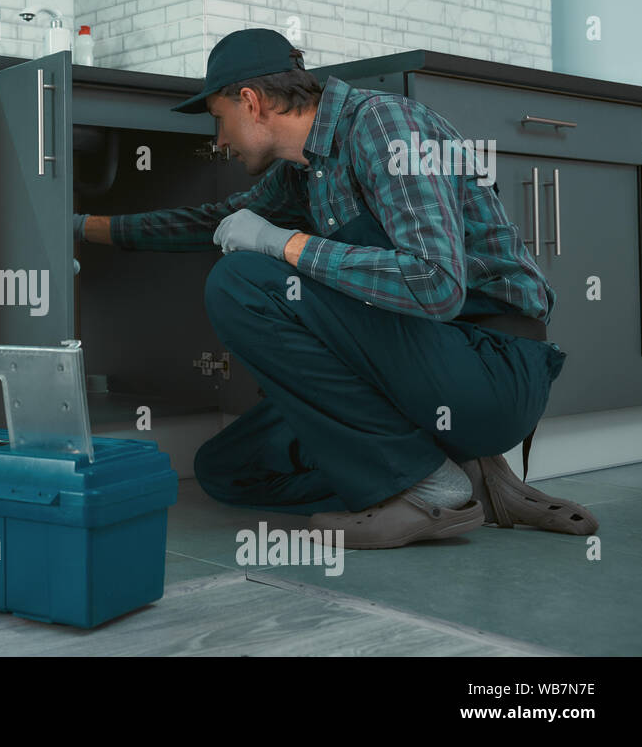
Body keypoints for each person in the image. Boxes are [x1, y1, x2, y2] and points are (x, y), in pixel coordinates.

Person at [75, 28, 598, 549]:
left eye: (219, 119)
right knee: (229, 468)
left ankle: (425, 487)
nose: (219, 142)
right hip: (415, 368)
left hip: (489, 366)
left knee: (241, 282)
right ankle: (466, 477)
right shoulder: (306, 170)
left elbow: (435, 283)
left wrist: (284, 244)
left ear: (251, 102)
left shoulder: (385, 126)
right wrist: (81, 227)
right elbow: (210, 221)